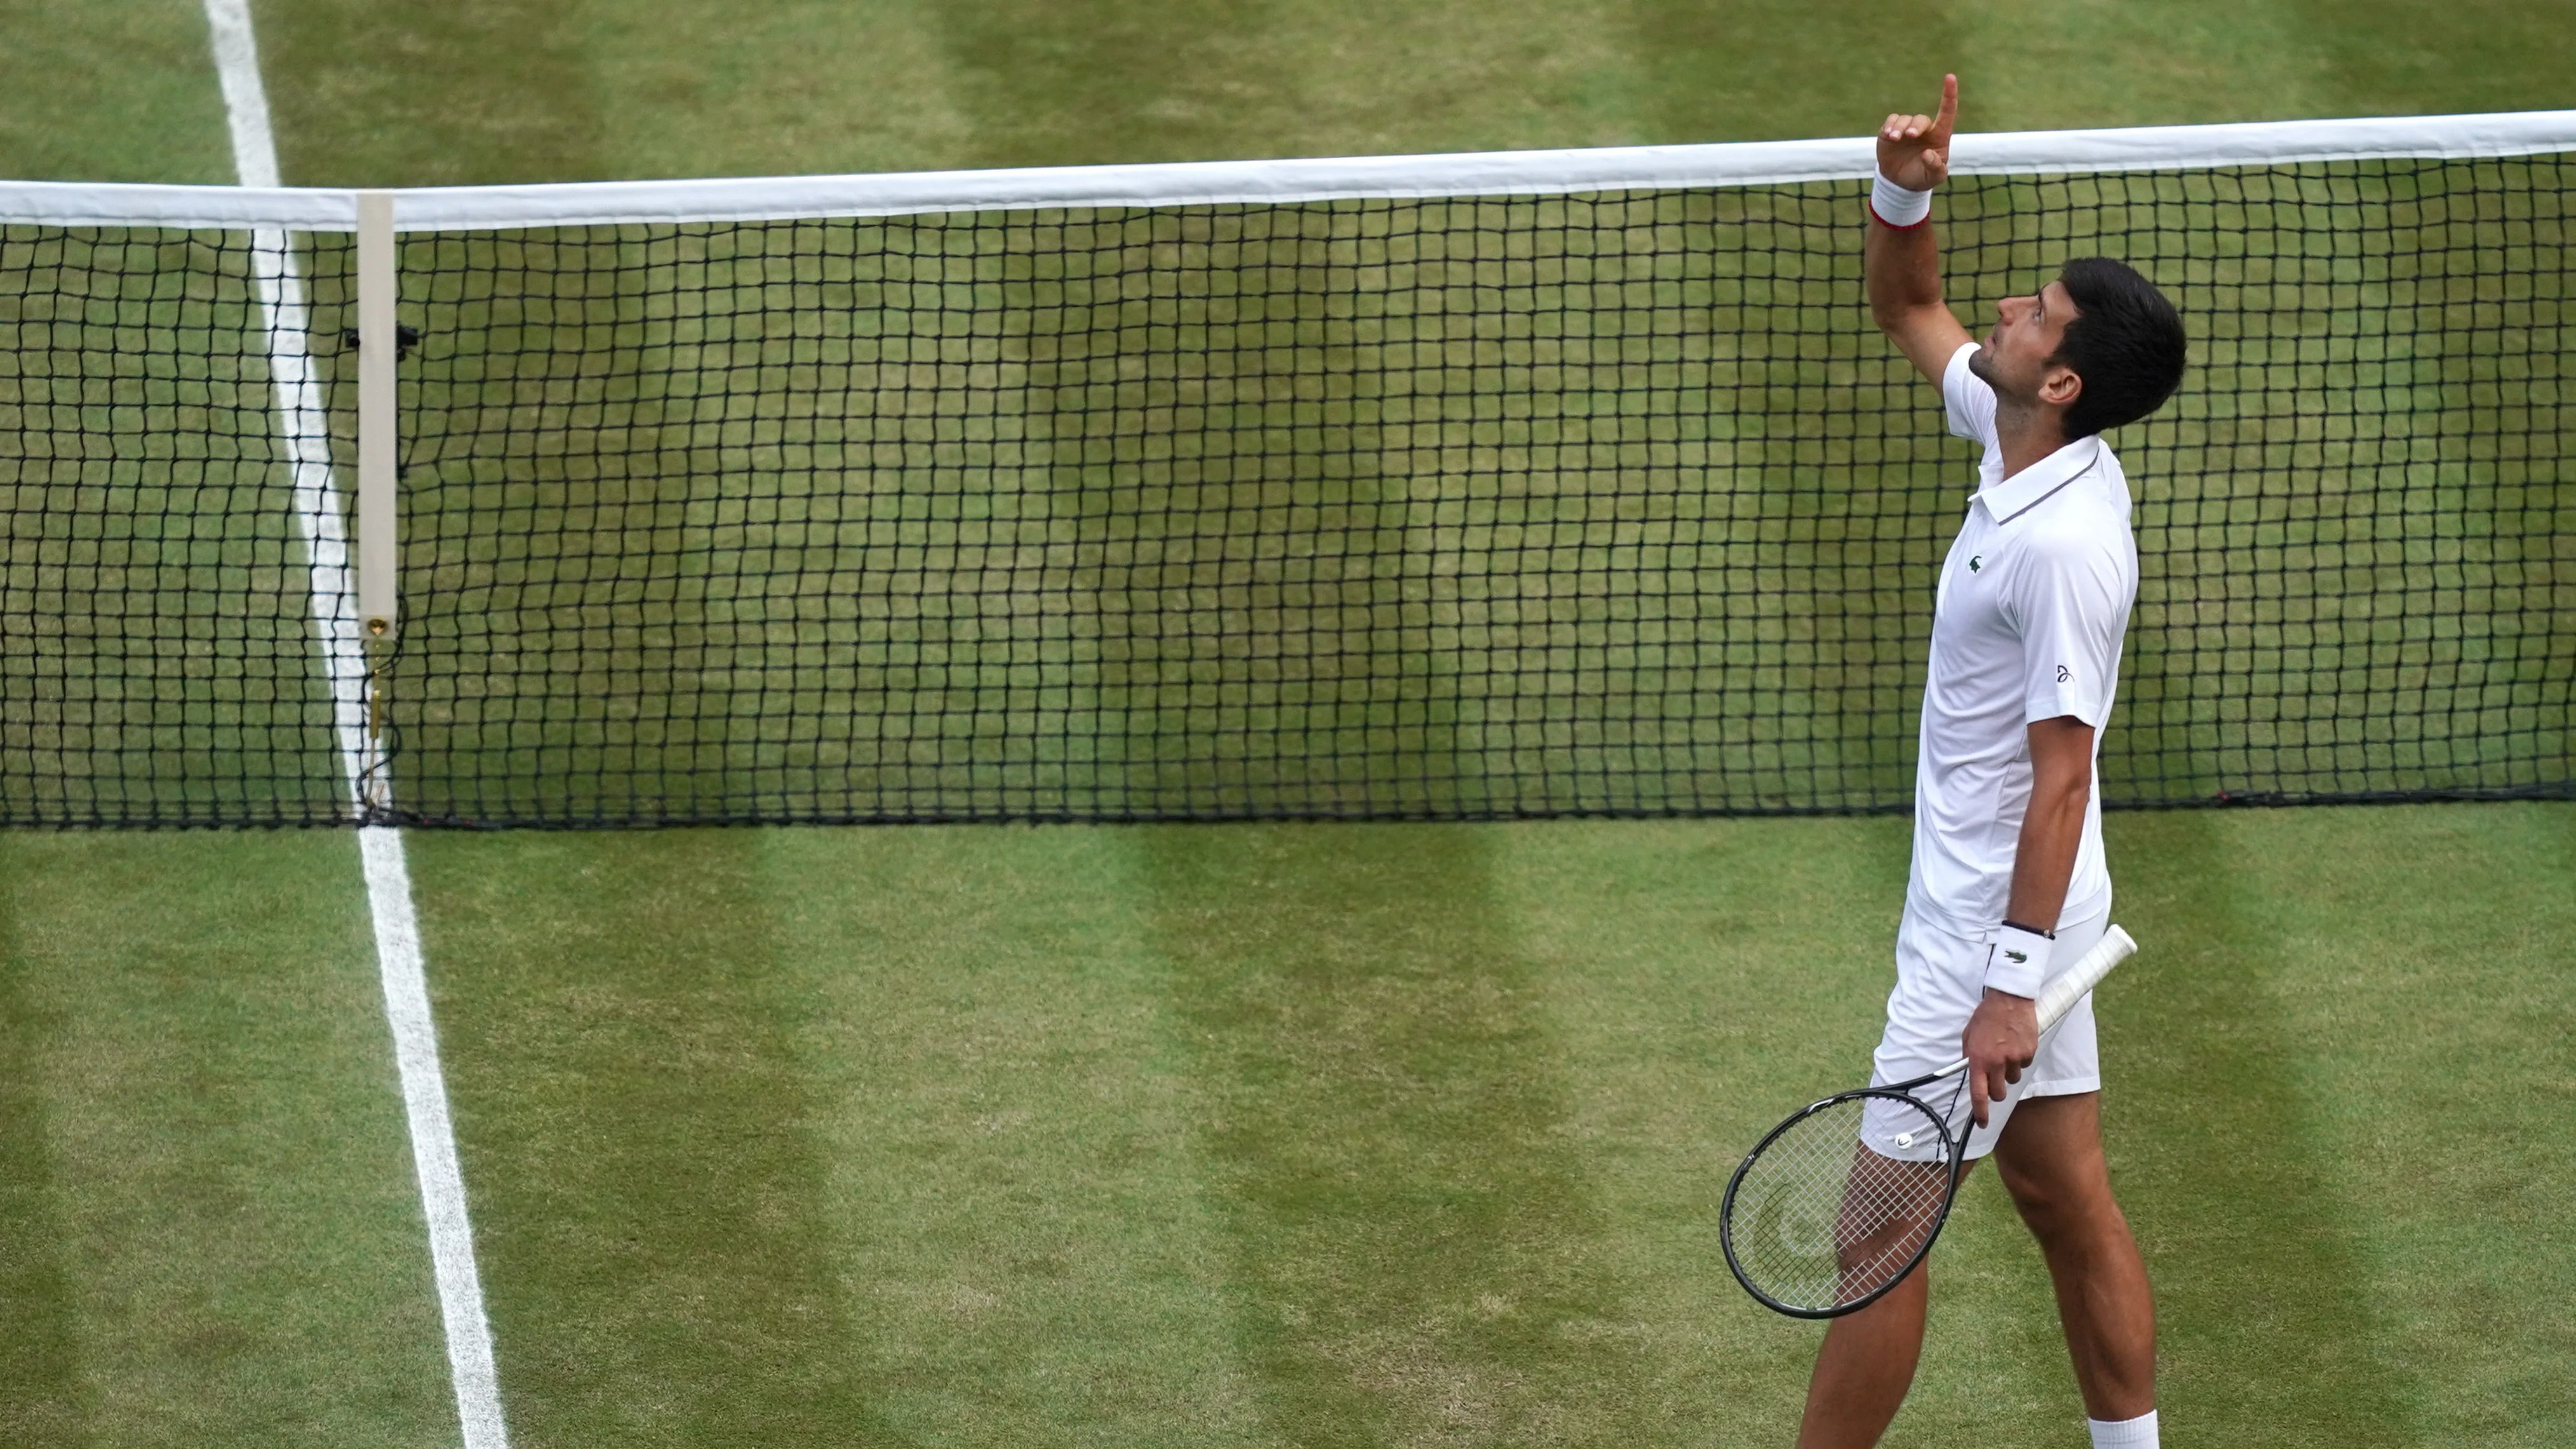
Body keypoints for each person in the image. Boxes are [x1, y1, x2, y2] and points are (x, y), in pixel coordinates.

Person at [1796, 75, 2188, 1449]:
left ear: (2065, 379)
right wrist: (1907, 186)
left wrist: (2006, 989)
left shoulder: (2065, 546)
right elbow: (1910, 305)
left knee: (1877, 1238)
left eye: (2037, 312)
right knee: (2061, 1198)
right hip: (2019, 904)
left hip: (1989, 931)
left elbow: (2064, 772)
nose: (2008, 311)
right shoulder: (2020, 436)